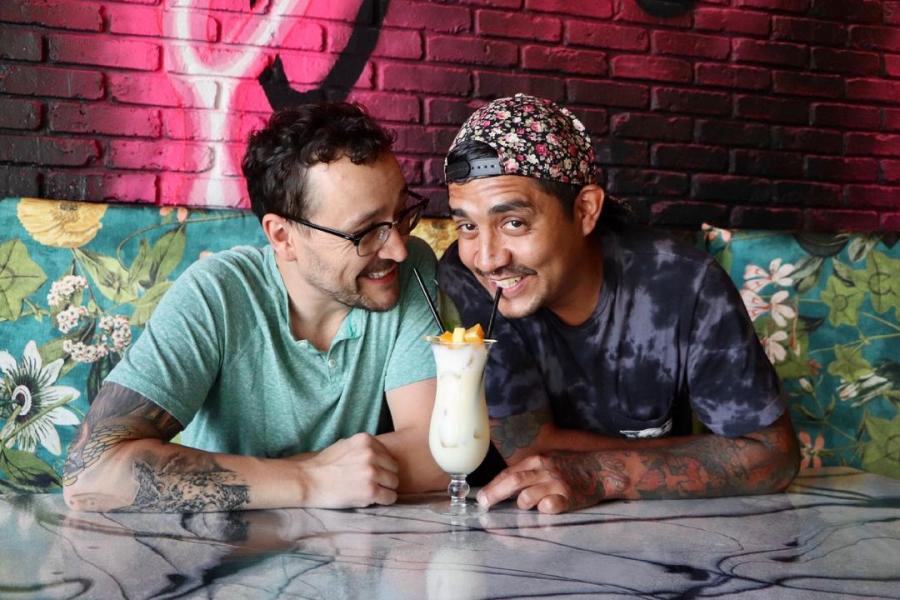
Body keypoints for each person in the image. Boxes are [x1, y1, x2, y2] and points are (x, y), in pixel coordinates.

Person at [63, 102, 447, 512]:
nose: (398, 248)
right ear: (282, 236)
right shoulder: (217, 295)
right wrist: (309, 481)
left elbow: (439, 452)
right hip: (224, 557)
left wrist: (288, 479)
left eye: (402, 214)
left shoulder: (410, 270)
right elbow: (90, 474)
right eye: (367, 232)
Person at [438, 94, 801, 514]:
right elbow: (525, 449)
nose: (487, 258)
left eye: (514, 223)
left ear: (585, 210)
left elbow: (772, 456)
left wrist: (602, 472)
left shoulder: (683, 284)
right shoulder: (468, 279)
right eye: (467, 225)